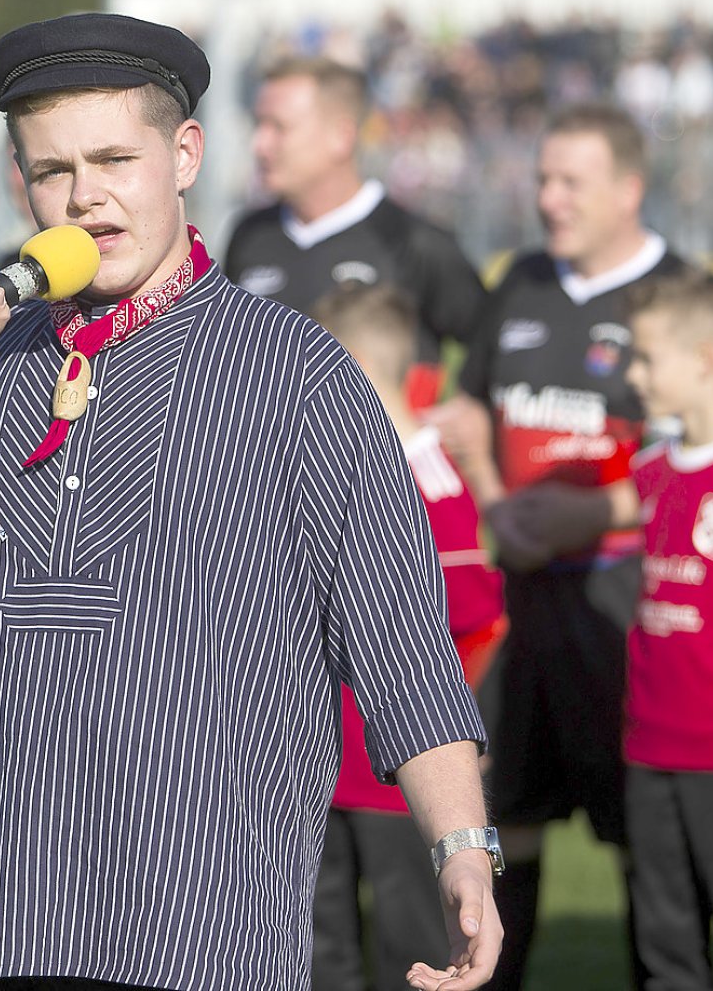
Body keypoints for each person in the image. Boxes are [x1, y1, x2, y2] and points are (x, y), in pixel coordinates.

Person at [0, 12, 501, 991]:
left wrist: (462, 847)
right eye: (52, 169)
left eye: (114, 158)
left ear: (185, 153)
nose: (85, 197)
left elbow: (402, 639)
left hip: (209, 940)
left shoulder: (298, 375)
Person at [430, 102, 702, 990]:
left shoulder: (683, 296)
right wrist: (495, 494)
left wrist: (598, 516)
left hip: (626, 609)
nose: (547, 199)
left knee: (645, 842)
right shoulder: (519, 284)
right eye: (541, 179)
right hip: (521, 613)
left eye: (569, 182)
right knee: (509, 823)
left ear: (629, 189)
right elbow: (471, 415)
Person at [310, 284, 508, 991]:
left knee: (412, 953)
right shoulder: (325, 466)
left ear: (353, 366)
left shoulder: (430, 478)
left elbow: (479, 622)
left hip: (404, 784)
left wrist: (461, 742)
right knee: (316, 954)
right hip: (318, 772)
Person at [620, 271, 713, 990]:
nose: (632, 374)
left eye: (645, 358)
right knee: (664, 947)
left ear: (704, 359)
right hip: (651, 745)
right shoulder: (652, 467)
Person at [225, 56, 486, 408]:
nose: (260, 144)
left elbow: (493, 346)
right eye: (259, 125)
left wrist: (466, 415)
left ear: (341, 137)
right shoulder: (250, 235)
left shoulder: (414, 241)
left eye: (278, 127)